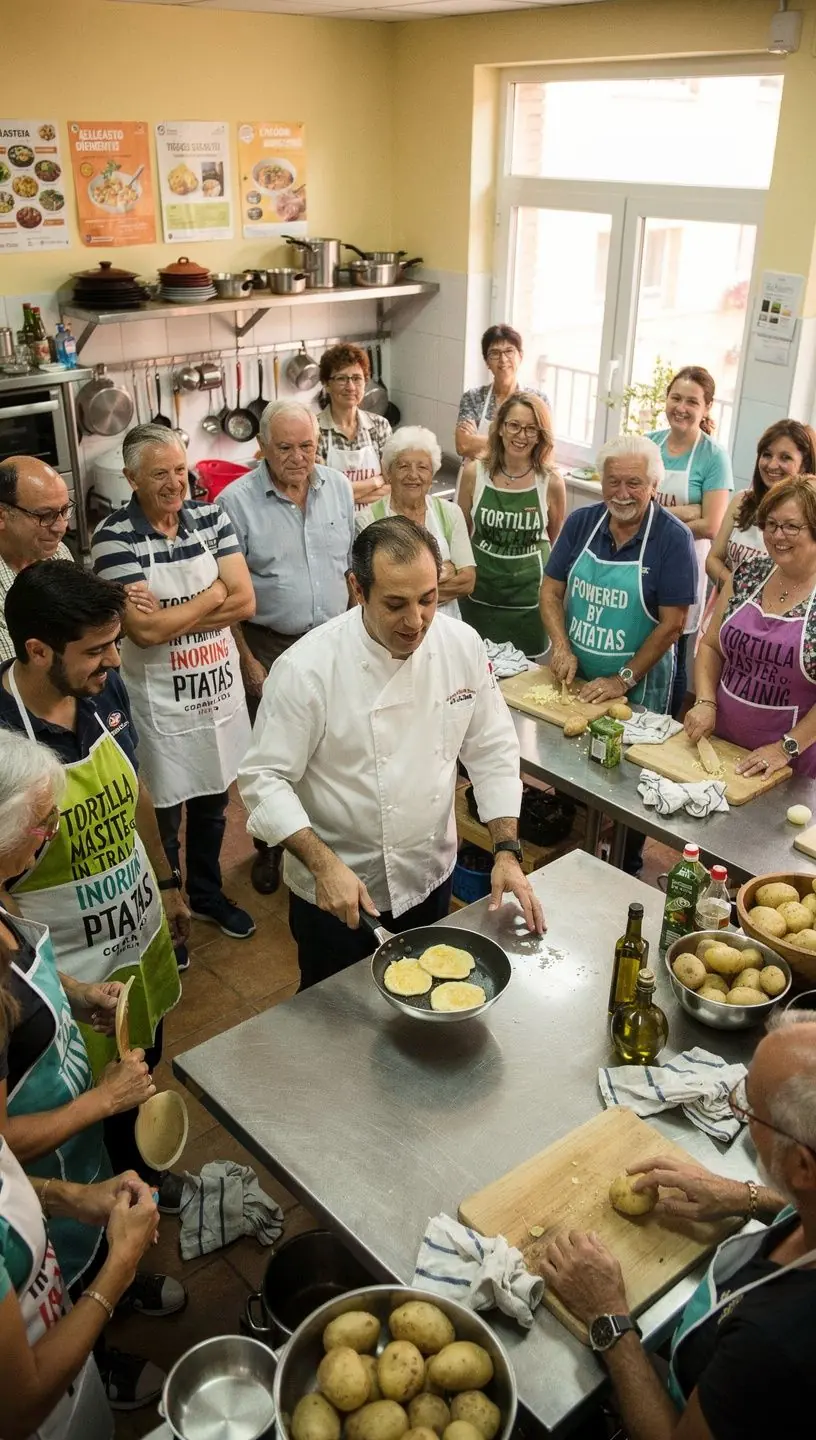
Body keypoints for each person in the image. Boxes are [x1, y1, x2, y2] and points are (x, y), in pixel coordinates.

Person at [238, 516, 544, 991]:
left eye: (428, 599)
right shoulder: (307, 669)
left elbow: (492, 748)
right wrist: (322, 864)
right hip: (339, 894)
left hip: (428, 874)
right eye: (395, 604)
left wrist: (506, 849)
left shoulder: (460, 645)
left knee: (424, 1013)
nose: (416, 621)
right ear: (357, 588)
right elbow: (263, 779)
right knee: (334, 1017)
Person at [0, 732, 182, 1412]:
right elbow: (2, 1149)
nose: (51, 833)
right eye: (39, 823)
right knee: (57, 1295)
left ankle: (111, 1283)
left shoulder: (2, 893)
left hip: (67, 1175)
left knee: (92, 1229)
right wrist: (103, 1102)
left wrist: (73, 994)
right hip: (39, 1181)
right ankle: (96, 1359)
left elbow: (26, 976)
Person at [535, 1012, 816, 1440]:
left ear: (801, 1166)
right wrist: (742, 1195)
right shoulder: (807, 1191)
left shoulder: (773, 1344)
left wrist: (608, 1316)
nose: (738, 1112)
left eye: (751, 1110)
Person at [0, 563, 185, 1114]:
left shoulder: (105, 692)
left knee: (141, 1067)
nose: (113, 659)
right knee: (77, 1098)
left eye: (116, 642)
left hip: (136, 934)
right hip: (65, 969)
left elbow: (135, 791)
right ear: (38, 650)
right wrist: (66, 985)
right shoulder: (5, 736)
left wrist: (168, 879)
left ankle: (142, 1182)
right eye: (97, 649)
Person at [91, 425, 255, 950]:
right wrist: (212, 596)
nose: (174, 483)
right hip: (157, 706)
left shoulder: (210, 517)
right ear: (131, 478)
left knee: (213, 807)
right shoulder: (112, 536)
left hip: (217, 699)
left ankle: (207, 895)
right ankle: (168, 909)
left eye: (180, 470)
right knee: (160, 818)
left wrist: (172, 614)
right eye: (159, 473)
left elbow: (246, 601)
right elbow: (141, 631)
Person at [220, 399, 356, 896]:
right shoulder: (235, 502)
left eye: (308, 445)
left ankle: (327, 843)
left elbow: (351, 566)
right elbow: (228, 592)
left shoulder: (338, 487)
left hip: (334, 640)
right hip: (269, 643)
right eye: (286, 447)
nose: (299, 457)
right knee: (274, 758)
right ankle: (269, 850)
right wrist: (247, 659)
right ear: (262, 448)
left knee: (332, 749)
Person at [541, 434, 697, 714]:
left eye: (634, 483)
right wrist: (561, 646)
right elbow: (551, 590)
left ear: (654, 486)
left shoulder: (674, 539)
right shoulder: (581, 523)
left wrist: (622, 679)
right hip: (575, 679)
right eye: (613, 482)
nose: (622, 494)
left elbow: (673, 624)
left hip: (638, 691)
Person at [685, 475, 816, 779]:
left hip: (791, 762)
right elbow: (711, 645)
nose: (777, 535)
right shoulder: (747, 575)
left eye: (791, 526)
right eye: (770, 524)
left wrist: (785, 749)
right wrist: (705, 701)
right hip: (722, 742)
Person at [647, 367, 733, 714]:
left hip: (686, 564)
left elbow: (712, 525)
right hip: (644, 559)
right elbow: (632, 505)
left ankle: (666, 722)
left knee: (675, 647)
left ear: (707, 407)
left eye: (692, 402)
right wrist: (687, 511)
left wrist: (656, 513)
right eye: (676, 398)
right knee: (640, 635)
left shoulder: (713, 456)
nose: (681, 408)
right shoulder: (649, 443)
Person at [458, 392, 565, 655]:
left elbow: (553, 539)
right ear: (501, 429)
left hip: (528, 602)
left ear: (541, 435)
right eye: (514, 425)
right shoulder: (475, 472)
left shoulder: (550, 482)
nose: (521, 435)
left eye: (531, 429)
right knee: (475, 668)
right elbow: (459, 534)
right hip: (479, 595)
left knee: (524, 680)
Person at [356, 426, 475, 618]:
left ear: (432, 475)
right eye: (403, 466)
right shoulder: (367, 520)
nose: (413, 475)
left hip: (446, 626)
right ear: (388, 473)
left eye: (422, 467)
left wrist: (401, 595)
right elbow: (374, 589)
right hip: (393, 627)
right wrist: (444, 570)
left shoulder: (450, 513)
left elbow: (467, 581)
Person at [707, 420, 816, 587]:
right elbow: (713, 560)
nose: (772, 465)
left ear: (804, 465)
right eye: (767, 454)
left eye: (785, 457)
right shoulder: (741, 500)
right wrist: (739, 593)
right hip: (725, 605)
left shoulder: (810, 516)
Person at [0, 456, 75, 663]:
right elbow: (14, 673)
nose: (61, 527)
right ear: (1, 516)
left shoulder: (58, 552)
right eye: (45, 515)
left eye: (64, 510)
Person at [455, 324, 550, 467]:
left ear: (520, 356)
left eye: (509, 351)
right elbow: (463, 445)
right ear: (486, 361)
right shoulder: (473, 398)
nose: (503, 360)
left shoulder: (538, 400)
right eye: (495, 353)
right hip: (476, 481)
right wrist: (518, 444)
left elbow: (545, 450)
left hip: (521, 481)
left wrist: (479, 441)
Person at [316, 343, 392, 507]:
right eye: (341, 378)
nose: (350, 387)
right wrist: (375, 482)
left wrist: (342, 494)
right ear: (326, 385)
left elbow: (392, 487)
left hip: (376, 527)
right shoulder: (313, 431)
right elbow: (322, 494)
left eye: (357, 379)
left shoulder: (380, 426)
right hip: (333, 527)